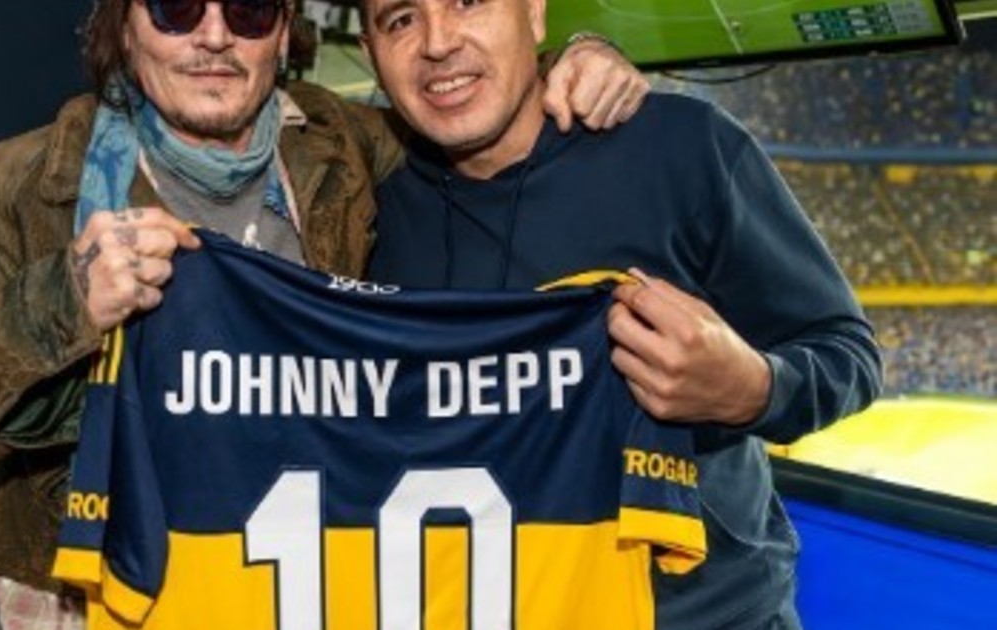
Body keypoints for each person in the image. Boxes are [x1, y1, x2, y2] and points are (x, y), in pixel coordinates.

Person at [0, 0, 648, 627]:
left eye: (248, 11)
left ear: (282, 35)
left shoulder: (346, 145)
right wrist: (60, 302)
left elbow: (473, 109)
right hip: (62, 589)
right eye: (176, 9)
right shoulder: (22, 184)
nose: (214, 36)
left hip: (283, 579)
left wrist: (575, 63)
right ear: (124, 29)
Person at [357, 0, 883, 628]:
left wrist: (752, 389)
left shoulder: (681, 147)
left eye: (467, 2)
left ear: (534, 13)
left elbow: (847, 352)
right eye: (400, 19)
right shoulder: (365, 202)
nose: (438, 41)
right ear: (370, 55)